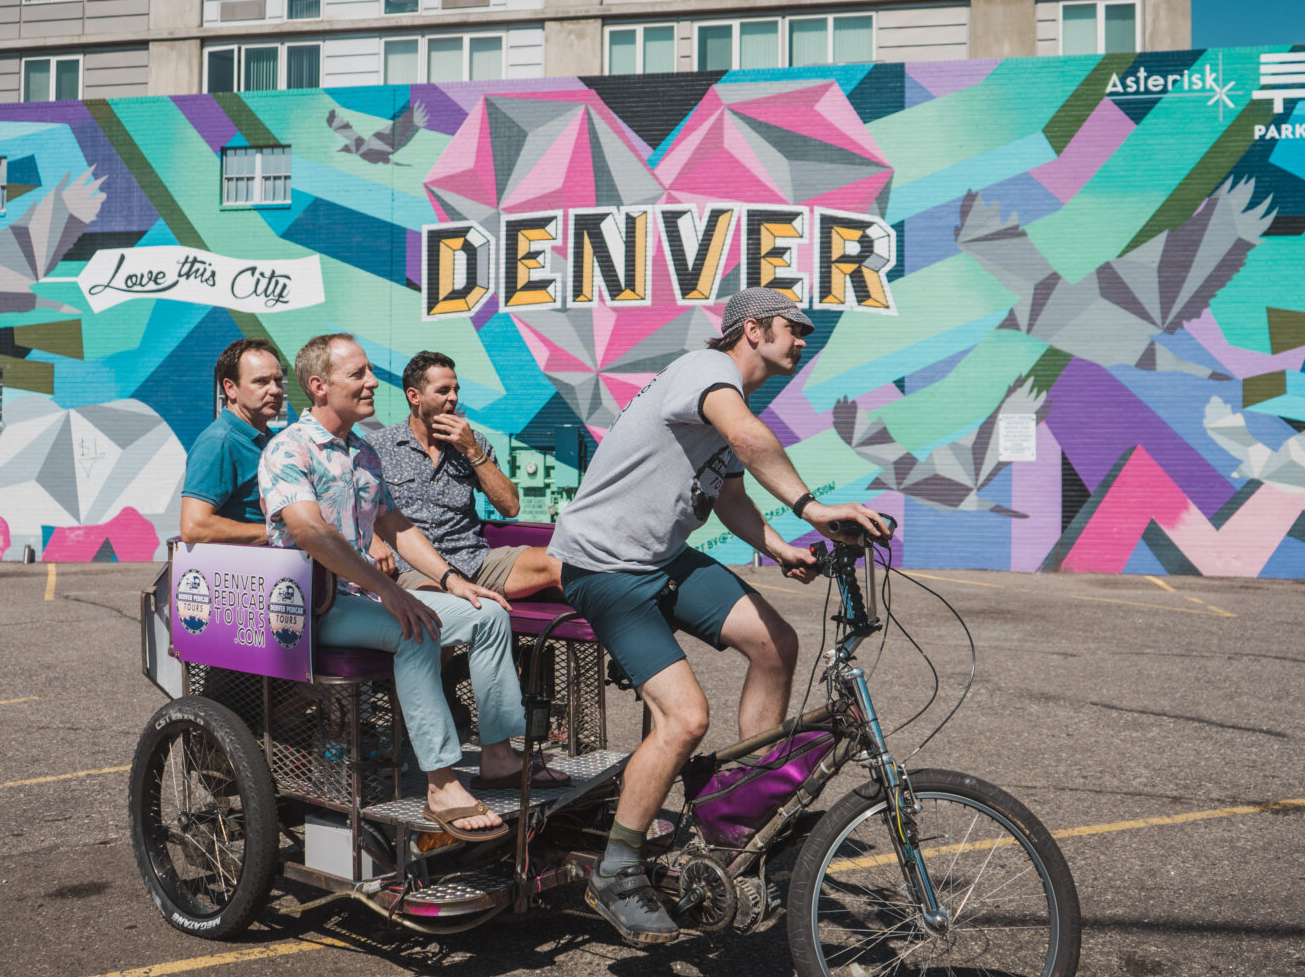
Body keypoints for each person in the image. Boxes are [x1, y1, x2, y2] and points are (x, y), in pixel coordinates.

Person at [548, 287, 891, 943]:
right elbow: (744, 434)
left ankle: (739, 805)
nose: (804, 338)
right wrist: (812, 509)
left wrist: (781, 547)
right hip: (605, 569)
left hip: (662, 559)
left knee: (775, 643)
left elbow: (730, 496)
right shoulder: (707, 374)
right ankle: (617, 871)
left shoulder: (726, 404)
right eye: (796, 328)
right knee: (686, 718)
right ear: (753, 329)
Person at [258, 333, 569, 842]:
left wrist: (454, 583)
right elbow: (311, 532)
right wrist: (391, 589)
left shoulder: (361, 452)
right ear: (319, 386)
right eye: (356, 373)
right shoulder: (288, 449)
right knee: (416, 629)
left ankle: (497, 757)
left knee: (489, 615)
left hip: (364, 595)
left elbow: (396, 526)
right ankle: (442, 782)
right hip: (316, 604)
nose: (371, 381)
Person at [367, 350, 563, 598]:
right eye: (443, 391)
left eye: (456, 390)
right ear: (414, 396)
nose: (454, 398)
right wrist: (372, 539)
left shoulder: (473, 442)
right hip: (413, 569)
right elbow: (349, 506)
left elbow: (511, 507)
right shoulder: (377, 446)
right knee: (443, 602)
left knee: (560, 564)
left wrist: (472, 450)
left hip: (473, 561)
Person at [180, 339, 288, 544]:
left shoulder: (272, 440)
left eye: (278, 381)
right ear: (230, 388)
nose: (275, 390)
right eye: (261, 382)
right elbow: (194, 526)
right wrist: (279, 533)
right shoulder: (219, 443)